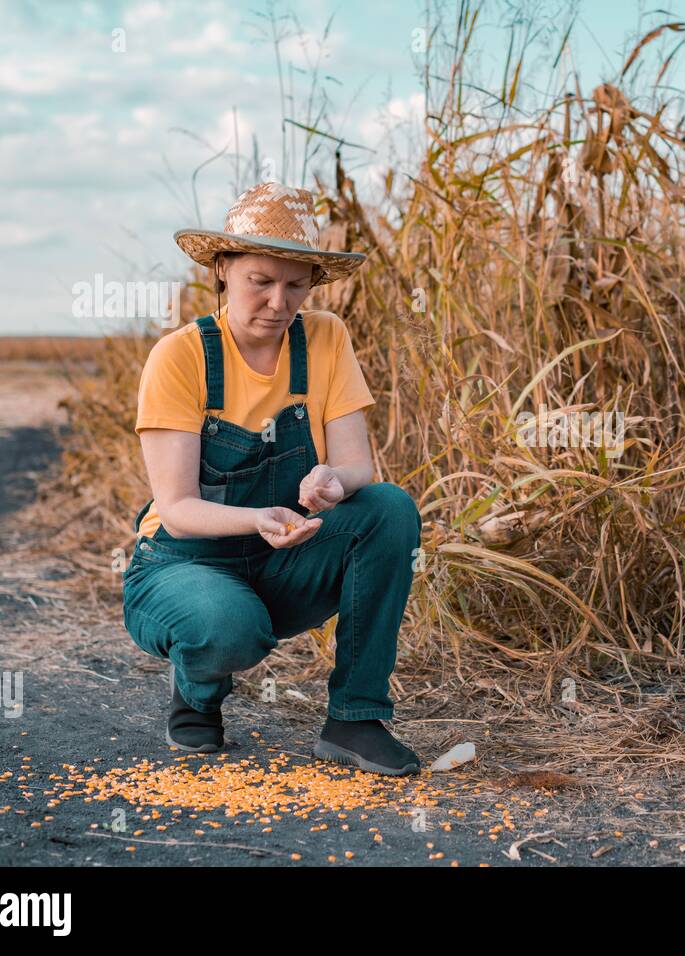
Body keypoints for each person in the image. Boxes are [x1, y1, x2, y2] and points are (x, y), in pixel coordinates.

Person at [122, 181, 422, 775]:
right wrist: (259, 518)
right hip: (182, 564)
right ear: (224, 271)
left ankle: (355, 720)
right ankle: (199, 690)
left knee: (388, 509)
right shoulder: (181, 357)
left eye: (295, 284)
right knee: (230, 628)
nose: (278, 302)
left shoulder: (326, 338)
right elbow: (178, 505)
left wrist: (333, 483)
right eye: (260, 281)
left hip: (284, 558)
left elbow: (359, 465)